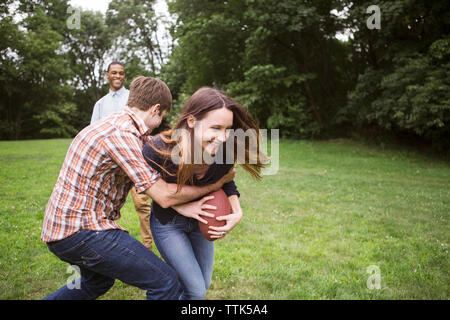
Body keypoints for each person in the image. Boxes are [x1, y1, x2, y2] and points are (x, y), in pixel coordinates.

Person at [41, 77, 235, 300]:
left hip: (63, 228)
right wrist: (218, 183)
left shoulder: (119, 126)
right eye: (162, 117)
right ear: (155, 110)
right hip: (82, 230)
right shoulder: (122, 135)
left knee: (97, 282)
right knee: (165, 282)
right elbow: (162, 195)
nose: (161, 124)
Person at [142, 87, 265, 300]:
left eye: (227, 128)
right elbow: (142, 187)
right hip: (169, 224)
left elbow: (227, 181)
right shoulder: (159, 150)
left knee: (202, 283)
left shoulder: (224, 152)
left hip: (201, 222)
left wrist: (237, 211)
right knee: (196, 291)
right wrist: (181, 206)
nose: (223, 137)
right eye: (216, 127)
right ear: (191, 121)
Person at [91, 61, 153, 251]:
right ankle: (102, 247)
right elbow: (93, 133)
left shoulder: (133, 100)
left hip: (134, 158)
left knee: (143, 206)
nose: (118, 76)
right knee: (102, 207)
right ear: (107, 75)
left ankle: (148, 247)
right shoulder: (101, 104)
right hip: (110, 166)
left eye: (121, 73)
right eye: (114, 73)